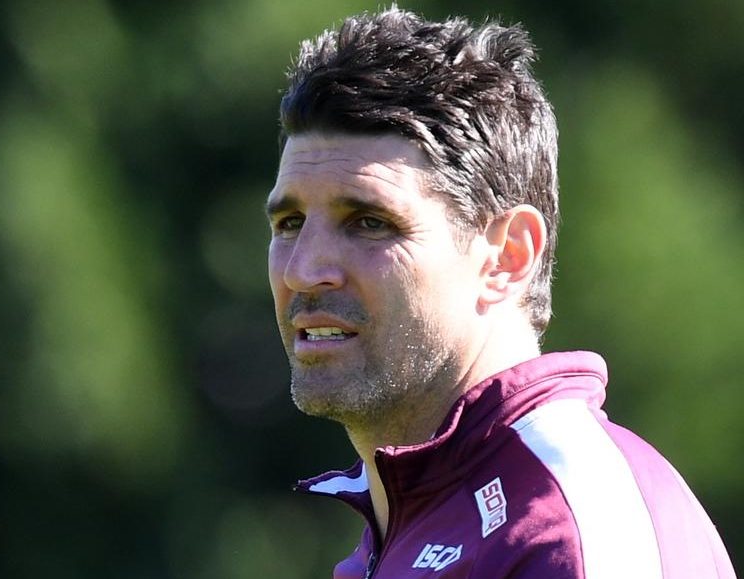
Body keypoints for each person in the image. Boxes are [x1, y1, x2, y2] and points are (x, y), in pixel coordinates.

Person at [265, 6, 736, 578]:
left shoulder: (577, 523)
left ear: (508, 256)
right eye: (289, 223)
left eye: (370, 223)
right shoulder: (409, 521)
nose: (303, 270)